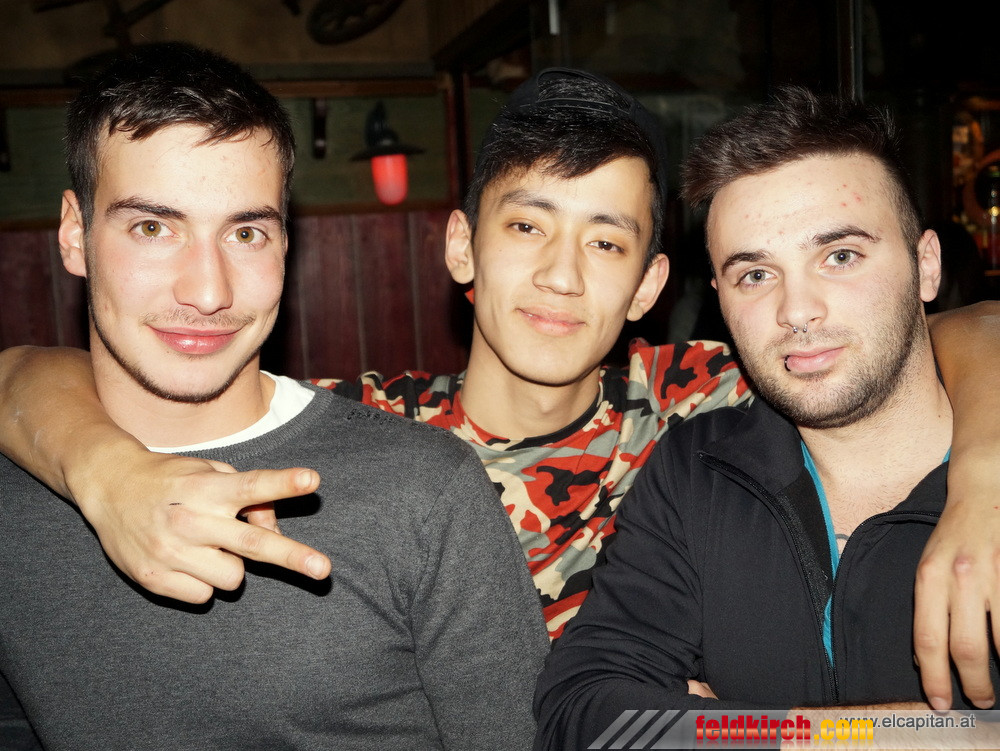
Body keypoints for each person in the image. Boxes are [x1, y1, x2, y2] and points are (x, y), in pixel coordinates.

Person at [0, 71, 998, 679]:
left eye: (605, 242)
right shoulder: (367, 430)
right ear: (461, 247)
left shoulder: (703, 397)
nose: (562, 276)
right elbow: (22, 373)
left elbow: (953, 330)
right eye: (527, 227)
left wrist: (985, 473)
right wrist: (104, 467)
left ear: (650, 284)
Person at [0, 42, 547, 750]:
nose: (208, 291)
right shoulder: (15, 495)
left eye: (246, 232)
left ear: (288, 244)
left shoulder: (422, 488)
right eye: (152, 228)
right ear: (75, 235)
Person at [534, 87, 1000, 750]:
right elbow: (581, 713)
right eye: (755, 274)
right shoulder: (697, 469)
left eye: (840, 256)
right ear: (720, 298)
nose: (797, 310)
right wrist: (897, 737)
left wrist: (714, 727)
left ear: (926, 266)